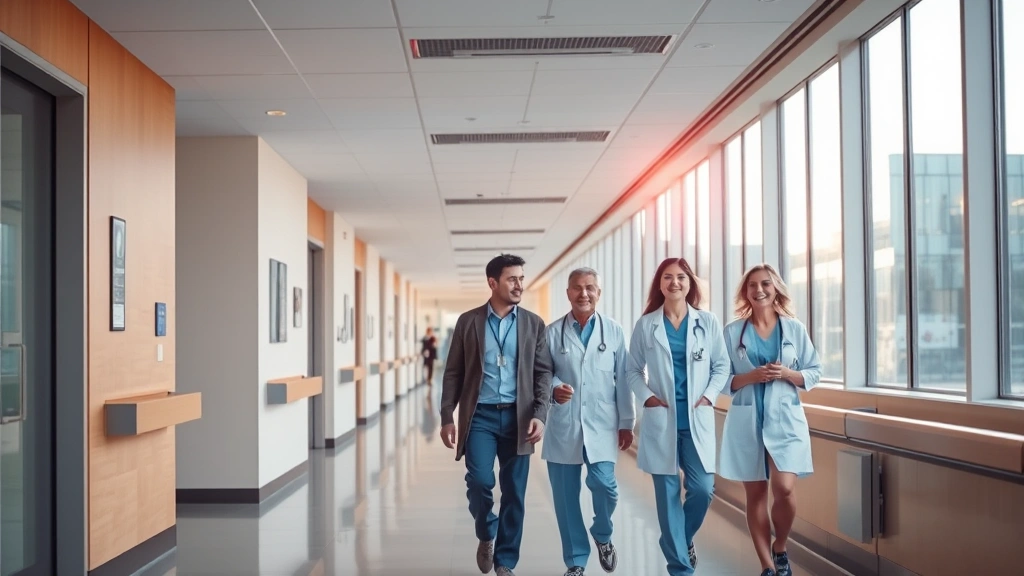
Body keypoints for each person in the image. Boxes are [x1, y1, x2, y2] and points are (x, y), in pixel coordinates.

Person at [440, 253, 554, 576]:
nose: (519, 285)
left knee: (515, 492)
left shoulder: (533, 323)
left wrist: (540, 414)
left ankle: (505, 562)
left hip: (520, 419)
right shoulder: (469, 322)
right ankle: (486, 530)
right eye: (512, 279)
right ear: (493, 283)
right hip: (481, 418)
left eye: (521, 278)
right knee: (479, 481)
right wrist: (447, 415)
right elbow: (453, 372)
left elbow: (543, 373)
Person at [626, 257, 730, 576]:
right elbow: (632, 371)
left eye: (681, 277)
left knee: (703, 490)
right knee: (668, 495)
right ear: (660, 284)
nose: (675, 283)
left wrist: (708, 396)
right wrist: (648, 398)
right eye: (668, 277)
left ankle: (678, 539)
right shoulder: (647, 325)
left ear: (689, 283)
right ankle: (679, 567)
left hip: (696, 419)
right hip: (662, 422)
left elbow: (721, 366)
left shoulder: (707, 322)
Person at [719, 264, 821, 576]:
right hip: (747, 420)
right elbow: (722, 380)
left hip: (785, 420)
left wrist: (788, 374)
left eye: (765, 284)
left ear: (776, 288)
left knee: (785, 488)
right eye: (752, 285)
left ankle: (781, 546)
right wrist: (749, 376)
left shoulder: (794, 329)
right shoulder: (733, 332)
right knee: (756, 494)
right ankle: (767, 566)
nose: (759, 290)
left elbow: (814, 371)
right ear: (745, 292)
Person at [542, 267, 635, 576]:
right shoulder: (552, 332)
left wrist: (627, 421)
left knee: (606, 486)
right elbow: (540, 373)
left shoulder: (614, 331)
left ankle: (603, 534)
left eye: (590, 288)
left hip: (602, 424)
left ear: (599, 292)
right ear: (568, 293)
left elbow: (623, 379)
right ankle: (576, 561)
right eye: (577, 288)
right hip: (564, 425)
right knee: (566, 500)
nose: (584, 293)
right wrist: (555, 388)